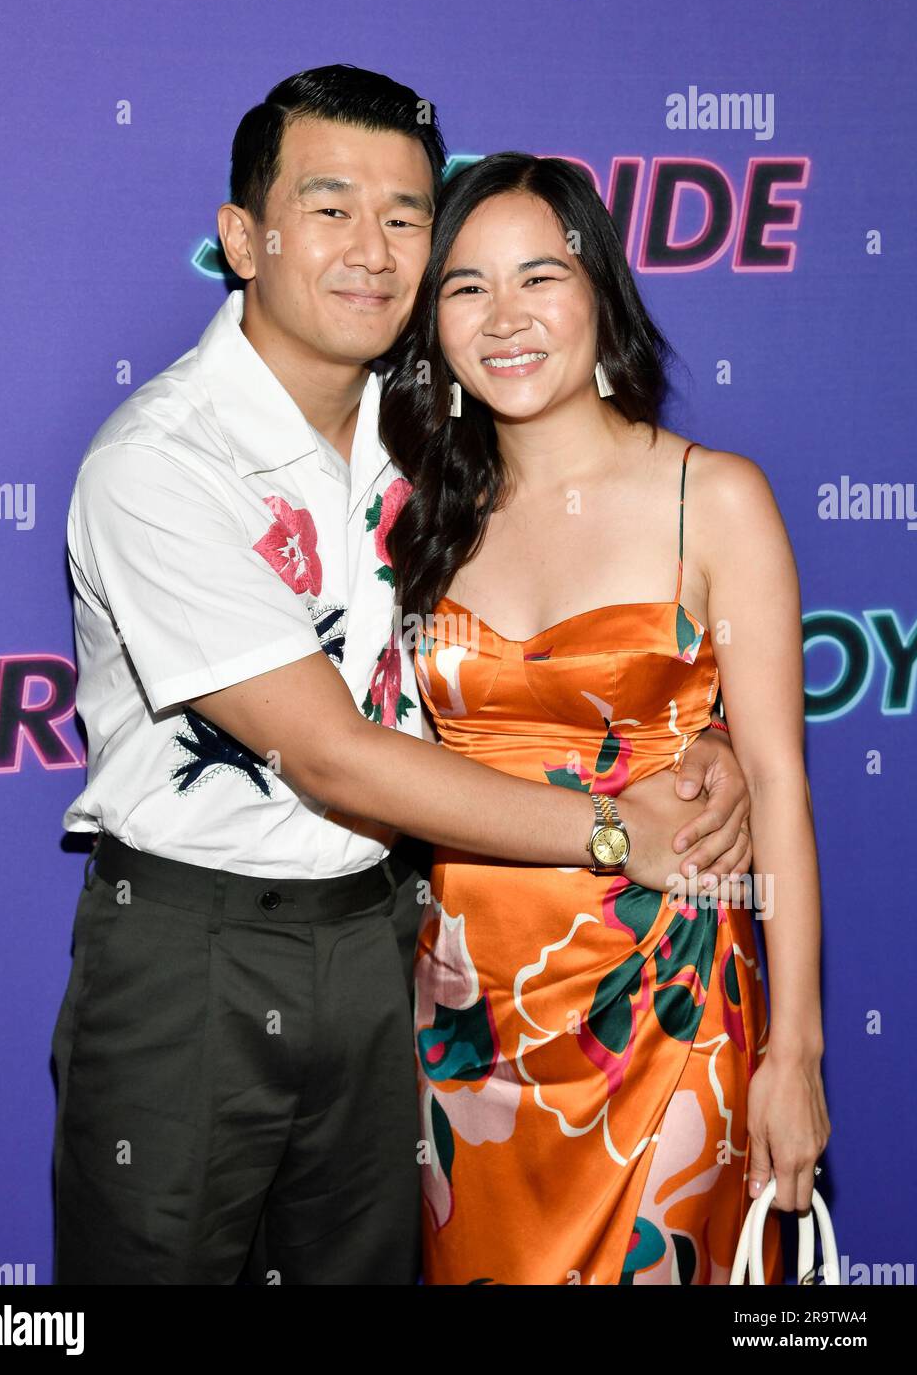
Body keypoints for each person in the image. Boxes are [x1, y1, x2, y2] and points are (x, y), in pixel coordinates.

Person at [51, 66, 754, 1286]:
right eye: (330, 207)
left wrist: (710, 735)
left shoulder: (436, 432)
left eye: (406, 215)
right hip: (192, 954)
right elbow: (332, 754)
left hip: (395, 952)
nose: (373, 249)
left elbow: (609, 606)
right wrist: (613, 831)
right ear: (241, 238)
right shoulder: (159, 462)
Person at [379, 151, 831, 1285]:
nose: (508, 317)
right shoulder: (412, 516)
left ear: (603, 296)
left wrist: (799, 1053)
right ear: (432, 325)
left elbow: (777, 780)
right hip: (464, 1033)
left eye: (542, 276)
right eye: (466, 287)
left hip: (673, 1011)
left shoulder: (715, 497)